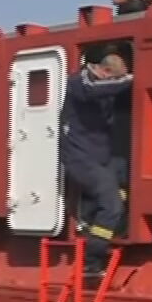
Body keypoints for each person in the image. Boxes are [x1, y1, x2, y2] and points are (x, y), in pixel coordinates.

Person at [61, 51, 135, 287]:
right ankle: (92, 262)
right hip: (81, 160)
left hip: (102, 158)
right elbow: (94, 90)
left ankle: (97, 223)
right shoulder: (78, 82)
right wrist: (132, 80)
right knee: (112, 204)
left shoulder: (108, 87)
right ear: (105, 72)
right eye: (115, 79)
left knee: (124, 174)